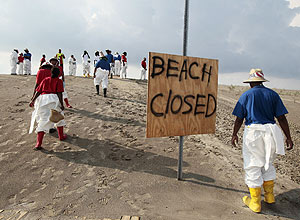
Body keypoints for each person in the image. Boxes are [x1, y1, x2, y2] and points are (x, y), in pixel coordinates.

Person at [231, 68, 294, 213]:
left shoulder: (246, 95)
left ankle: (255, 203)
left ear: (251, 83)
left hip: (253, 133)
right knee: (268, 163)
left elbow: (239, 118)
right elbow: (282, 118)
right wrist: (288, 137)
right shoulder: (273, 94)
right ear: (262, 81)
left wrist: (234, 134)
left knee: (253, 164)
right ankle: (270, 197)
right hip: (271, 132)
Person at [29, 67, 67, 150]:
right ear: (58, 74)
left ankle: (38, 143)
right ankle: (61, 136)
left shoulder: (45, 80)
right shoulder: (59, 81)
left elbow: (38, 91)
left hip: (43, 100)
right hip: (54, 99)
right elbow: (59, 93)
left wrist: (33, 100)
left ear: (51, 72)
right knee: (58, 116)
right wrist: (61, 104)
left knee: (43, 119)